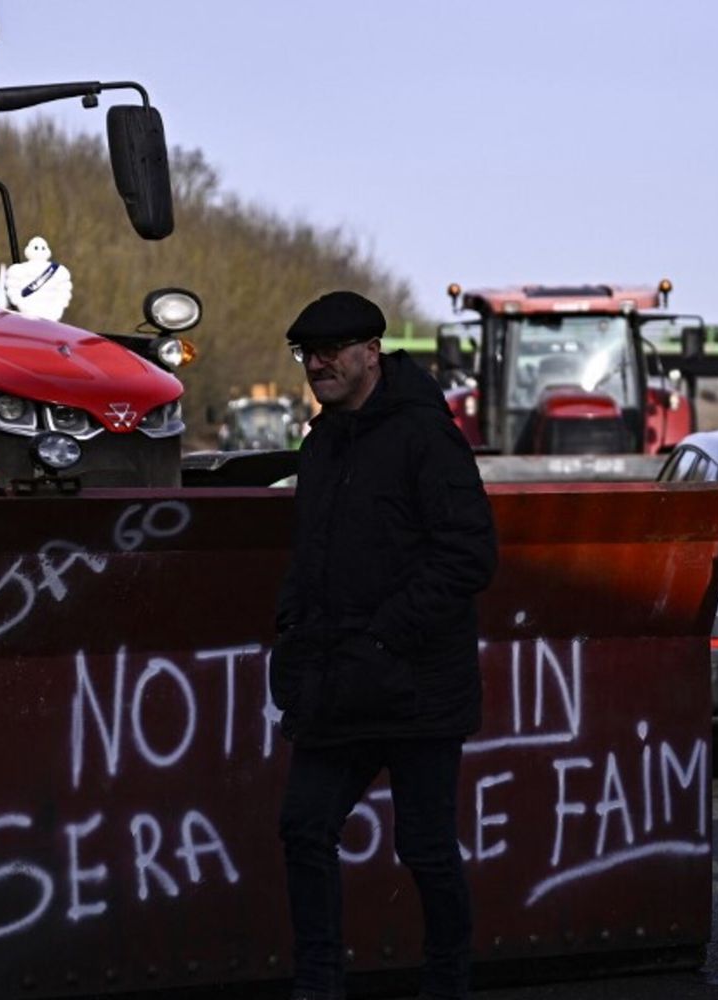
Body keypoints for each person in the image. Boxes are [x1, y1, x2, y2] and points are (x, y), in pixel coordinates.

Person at [270, 291, 498, 1000]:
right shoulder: (321, 444)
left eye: (331, 351)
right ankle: (318, 982)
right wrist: (293, 634)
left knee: (424, 847)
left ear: (372, 352)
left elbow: (469, 554)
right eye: (307, 354)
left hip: (418, 685)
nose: (317, 364)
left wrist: (383, 634)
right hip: (339, 680)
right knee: (305, 826)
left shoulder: (426, 436)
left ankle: (447, 983)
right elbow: (313, 555)